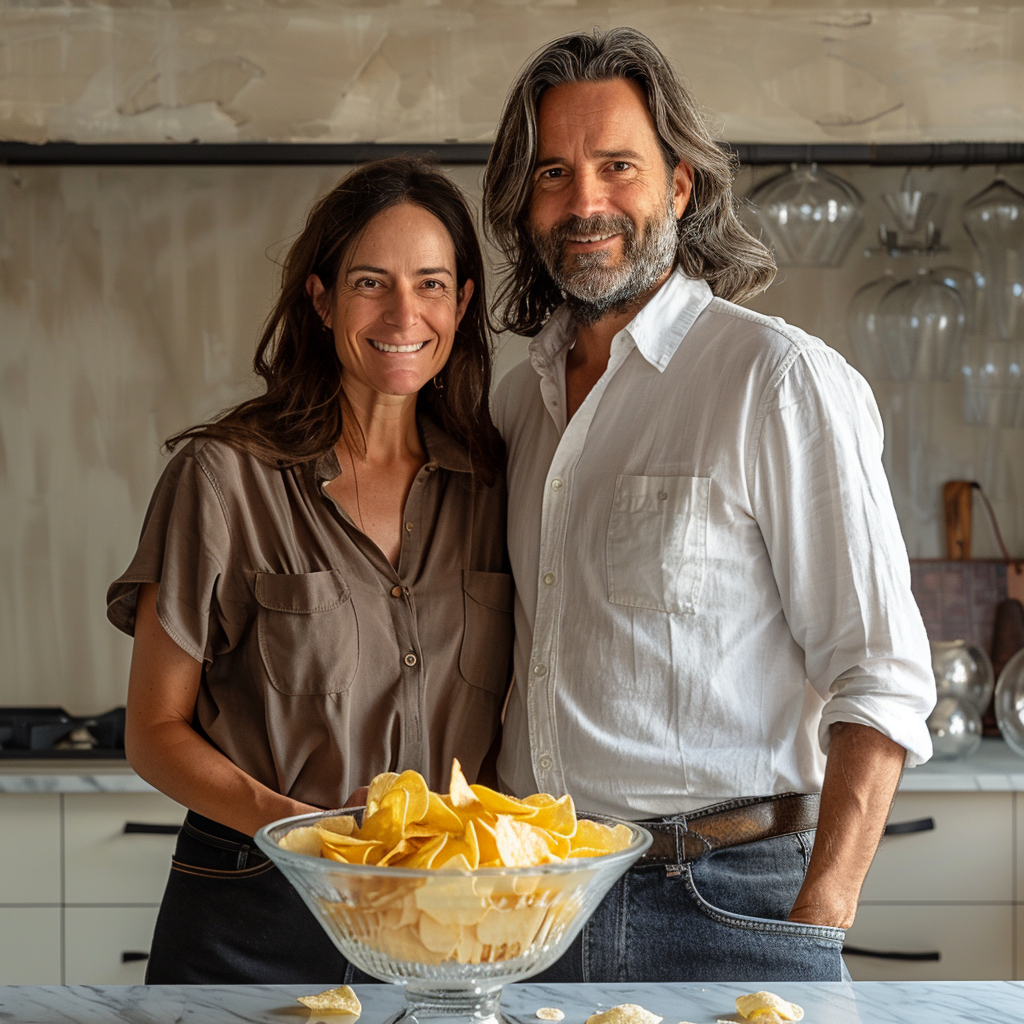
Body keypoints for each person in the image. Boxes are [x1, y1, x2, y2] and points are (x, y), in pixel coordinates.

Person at [481, 28, 935, 982]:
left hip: (724, 904)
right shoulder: (517, 403)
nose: (586, 203)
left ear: (679, 187)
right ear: (524, 206)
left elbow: (881, 675)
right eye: (554, 173)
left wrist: (816, 922)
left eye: (618, 167)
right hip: (530, 907)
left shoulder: (776, 381)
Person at [106, 157, 512, 984]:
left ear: (463, 304)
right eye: (372, 282)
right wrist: (305, 833)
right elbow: (152, 733)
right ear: (322, 299)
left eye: (432, 285)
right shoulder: (223, 479)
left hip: (443, 916)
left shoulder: (499, 483)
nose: (405, 313)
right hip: (257, 911)